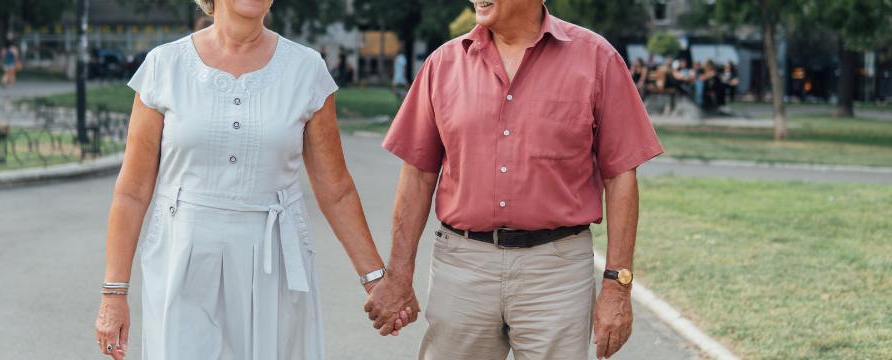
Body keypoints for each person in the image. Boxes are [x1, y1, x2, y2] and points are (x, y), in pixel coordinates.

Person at [92, 0, 403, 359]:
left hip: (277, 266)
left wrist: (377, 279)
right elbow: (132, 191)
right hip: (182, 261)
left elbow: (337, 190)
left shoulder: (306, 69)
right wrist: (113, 295)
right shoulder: (165, 66)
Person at [370, 0, 663, 359]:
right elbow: (417, 174)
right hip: (462, 266)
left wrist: (618, 286)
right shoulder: (443, 64)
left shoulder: (597, 59)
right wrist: (399, 275)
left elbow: (621, 176)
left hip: (557, 272)